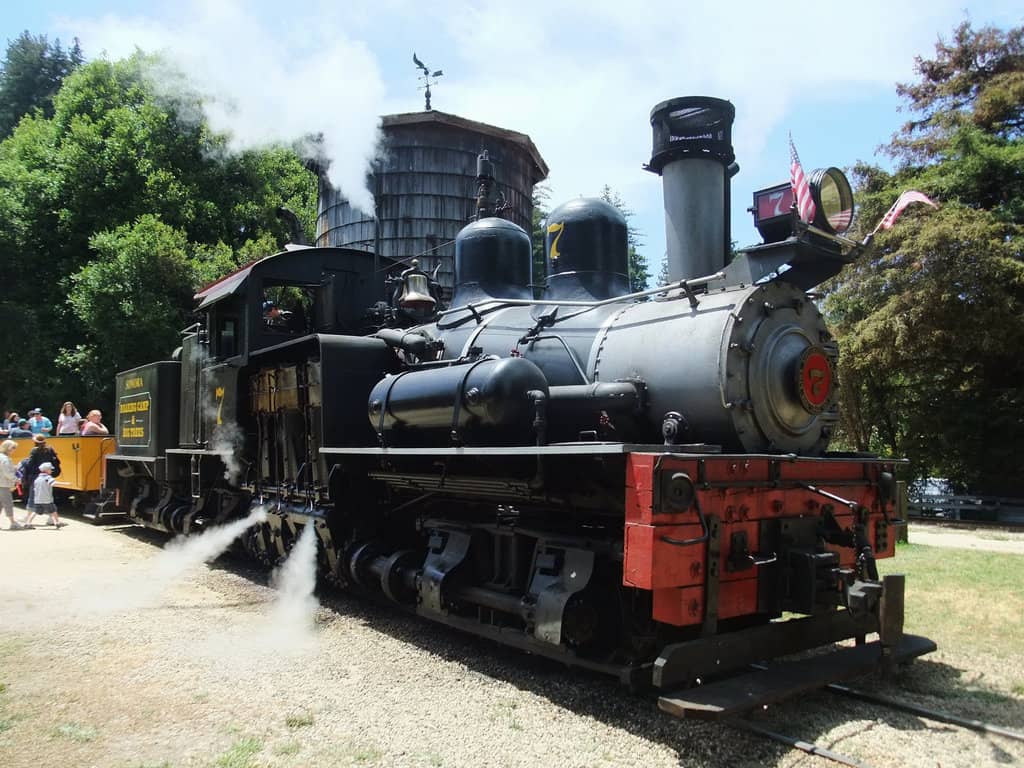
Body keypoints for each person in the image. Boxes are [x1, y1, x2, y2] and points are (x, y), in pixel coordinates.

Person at [22, 434, 60, 518]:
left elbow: (30, 464)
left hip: (36, 476)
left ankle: (28, 517)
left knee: (32, 496)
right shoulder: (50, 449)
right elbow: (56, 461)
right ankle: (51, 518)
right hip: (48, 476)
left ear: (35, 442)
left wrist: (24, 462)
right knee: (49, 496)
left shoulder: (34, 450)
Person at [24, 462, 62, 529]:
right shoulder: (48, 477)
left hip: (38, 499)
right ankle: (57, 522)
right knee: (53, 511)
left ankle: (28, 523)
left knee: (35, 511)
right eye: (50, 469)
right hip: (47, 499)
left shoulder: (37, 479)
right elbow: (53, 483)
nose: (51, 471)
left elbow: (35, 489)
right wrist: (66, 484)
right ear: (47, 470)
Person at [0, 439, 23, 529]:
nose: (14, 450)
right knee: (8, 503)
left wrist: (13, 468)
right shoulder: (5, 459)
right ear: (8, 448)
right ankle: (13, 523)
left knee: (1, 503)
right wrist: (16, 479)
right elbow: (7, 472)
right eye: (13, 448)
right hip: (4, 484)